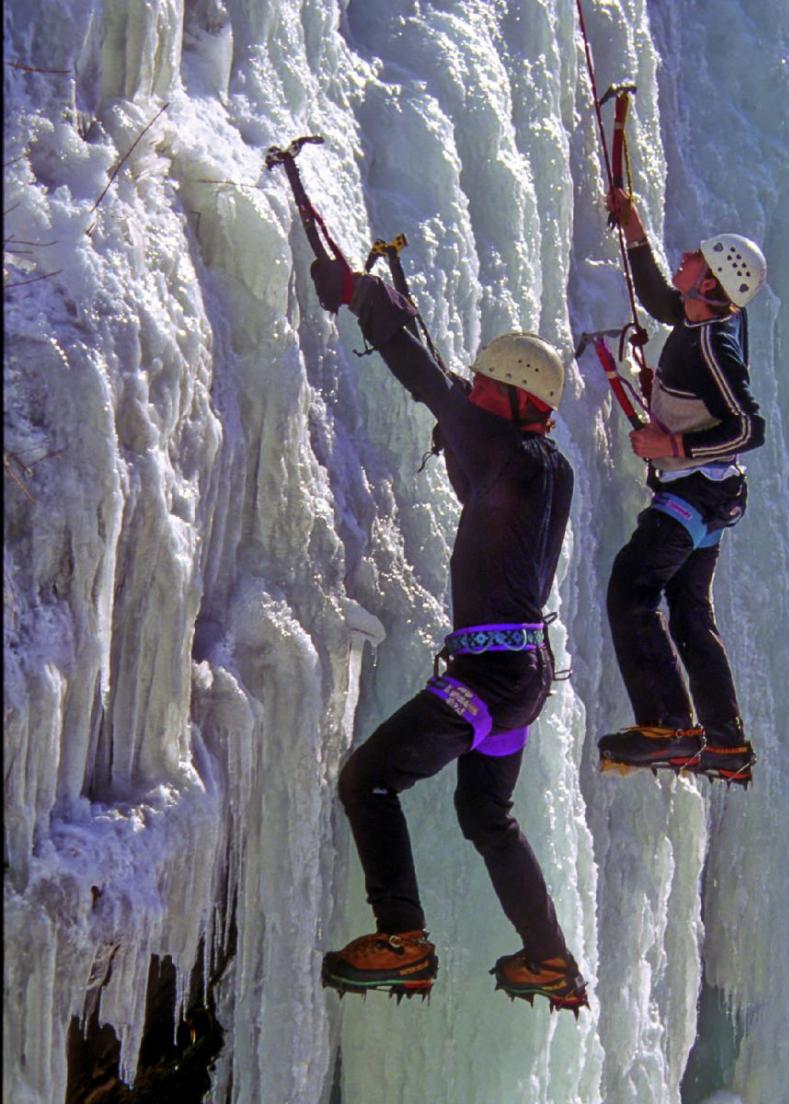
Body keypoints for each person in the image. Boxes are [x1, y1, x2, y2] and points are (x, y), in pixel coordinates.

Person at [311, 255, 587, 1013]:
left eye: (483, 385)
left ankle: (403, 938)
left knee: (366, 779)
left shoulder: (501, 447)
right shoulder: (546, 465)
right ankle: (550, 959)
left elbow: (422, 372)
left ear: (509, 396)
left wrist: (358, 294)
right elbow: (492, 493)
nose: (471, 389)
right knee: (486, 816)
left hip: (484, 680)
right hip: (523, 679)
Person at [597, 188, 767, 787]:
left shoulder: (713, 344)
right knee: (691, 615)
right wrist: (635, 232)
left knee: (631, 588)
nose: (685, 257)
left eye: (695, 258)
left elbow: (749, 426)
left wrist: (675, 447)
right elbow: (664, 302)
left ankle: (669, 727)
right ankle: (725, 744)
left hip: (696, 492)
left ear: (712, 286)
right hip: (712, 497)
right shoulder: (706, 317)